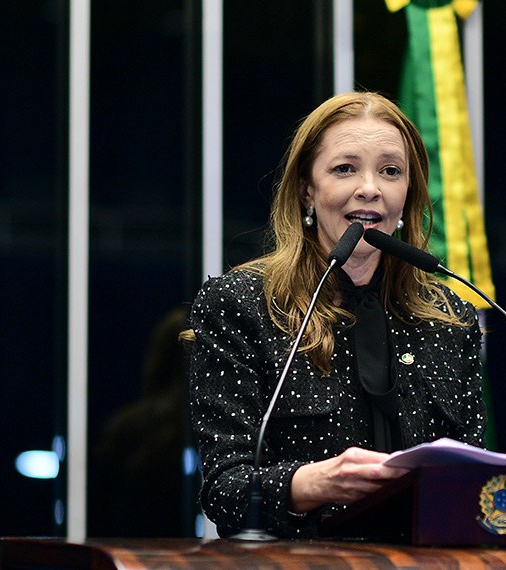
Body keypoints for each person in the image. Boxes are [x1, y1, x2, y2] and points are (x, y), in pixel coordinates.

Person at [186, 91, 486, 538]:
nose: (370, 187)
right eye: (345, 168)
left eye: (391, 171)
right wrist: (315, 483)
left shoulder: (449, 317)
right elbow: (225, 492)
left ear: (408, 194)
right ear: (307, 190)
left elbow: (471, 481)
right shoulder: (241, 305)